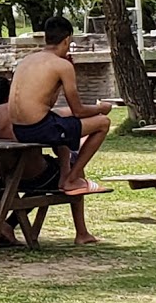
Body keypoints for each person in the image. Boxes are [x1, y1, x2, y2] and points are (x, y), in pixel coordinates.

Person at [8, 15, 112, 199]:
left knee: (62, 123)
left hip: (18, 128)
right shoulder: (62, 65)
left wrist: (59, 83)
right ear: (67, 40)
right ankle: (71, 179)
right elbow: (79, 111)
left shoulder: (26, 61)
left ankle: (65, 173)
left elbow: (47, 102)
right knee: (103, 123)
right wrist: (100, 108)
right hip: (37, 129)